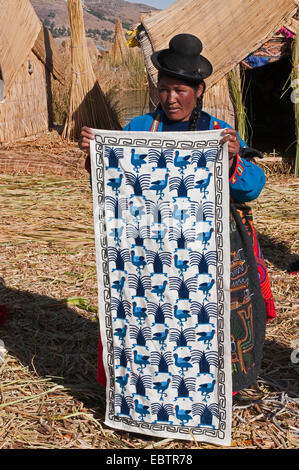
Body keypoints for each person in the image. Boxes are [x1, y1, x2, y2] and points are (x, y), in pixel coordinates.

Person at [79, 34, 276, 396]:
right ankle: (142, 394)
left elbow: (253, 187)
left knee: (205, 325)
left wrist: (233, 159)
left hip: (207, 249)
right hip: (150, 246)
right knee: (147, 320)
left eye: (180, 91)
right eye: (164, 89)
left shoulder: (217, 132)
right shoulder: (139, 128)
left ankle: (210, 394)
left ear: (198, 90)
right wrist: (97, 155)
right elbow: (115, 183)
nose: (170, 99)